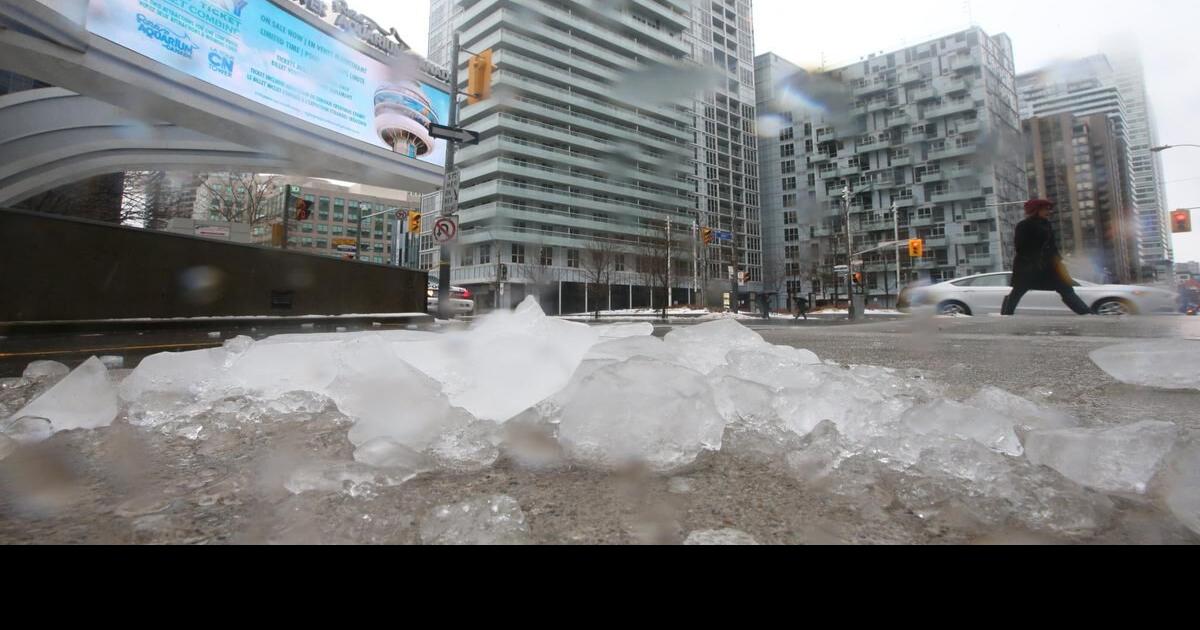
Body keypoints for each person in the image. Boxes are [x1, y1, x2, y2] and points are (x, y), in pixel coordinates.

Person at [1001, 199, 1092, 316]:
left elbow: (1052, 245)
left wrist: (1058, 261)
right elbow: (1021, 247)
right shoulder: (1024, 225)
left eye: (1049, 209)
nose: (1048, 212)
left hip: (1051, 267)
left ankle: (1086, 313)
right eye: (1045, 209)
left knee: (1066, 289)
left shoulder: (1047, 224)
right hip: (1029, 267)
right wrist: (1036, 260)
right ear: (1036, 210)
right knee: (1018, 291)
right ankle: (1006, 315)